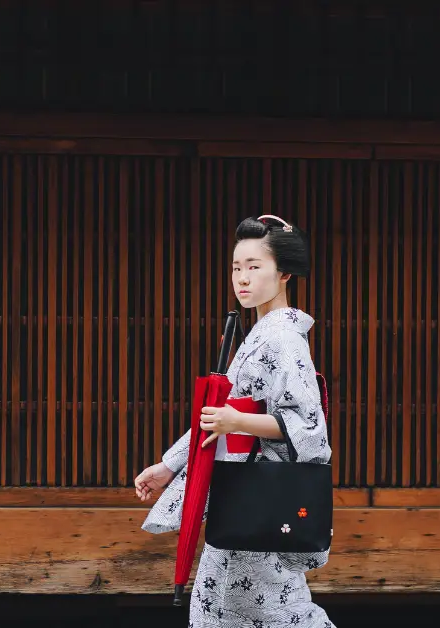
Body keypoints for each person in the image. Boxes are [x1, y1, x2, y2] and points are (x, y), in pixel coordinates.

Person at [134, 215, 336, 628]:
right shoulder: (260, 333)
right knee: (241, 608)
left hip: (258, 497)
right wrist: (170, 465)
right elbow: (221, 416)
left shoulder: (283, 338)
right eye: (236, 267)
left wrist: (236, 422)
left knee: (265, 612)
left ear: (284, 274)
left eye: (254, 267)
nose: (242, 278)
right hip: (243, 496)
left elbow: (309, 429)